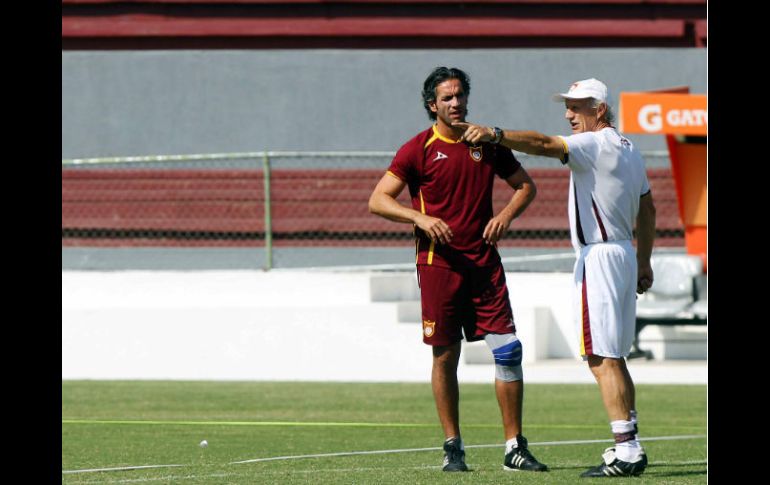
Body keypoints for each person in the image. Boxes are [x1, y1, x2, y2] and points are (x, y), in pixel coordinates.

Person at [452, 77, 656, 478]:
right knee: (614, 355)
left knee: (602, 357)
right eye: (568, 105)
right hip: (623, 254)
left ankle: (627, 449)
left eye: (577, 106)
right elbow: (648, 210)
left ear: (599, 110)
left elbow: (546, 145)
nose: (568, 113)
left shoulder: (594, 144)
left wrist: (495, 134)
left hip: (600, 256)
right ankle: (628, 441)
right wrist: (644, 261)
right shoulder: (629, 148)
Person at [368, 66, 548, 473]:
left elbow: (526, 186)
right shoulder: (418, 148)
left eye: (460, 96)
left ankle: (514, 447)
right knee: (445, 355)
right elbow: (378, 200)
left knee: (509, 349)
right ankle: (453, 446)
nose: (455, 103)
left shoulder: (486, 143)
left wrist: (504, 216)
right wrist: (419, 218)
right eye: (446, 98)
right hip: (439, 266)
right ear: (432, 105)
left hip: (484, 264)